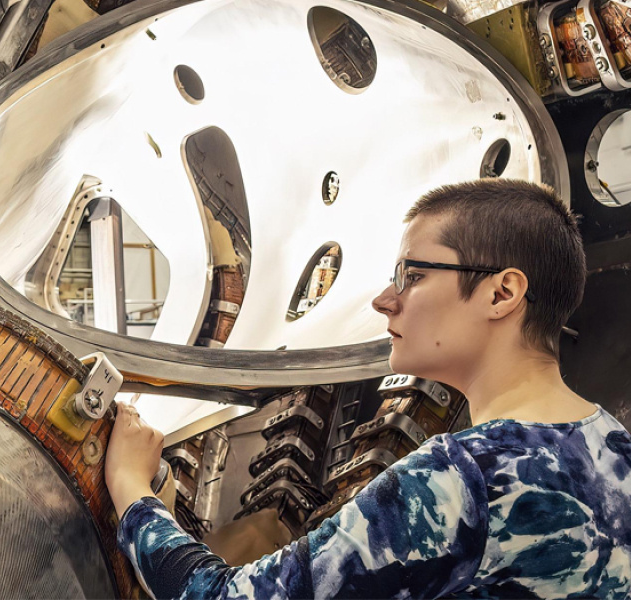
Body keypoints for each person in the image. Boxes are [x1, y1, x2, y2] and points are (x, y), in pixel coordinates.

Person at [104, 179, 631, 599]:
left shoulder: (462, 477)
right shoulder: (615, 448)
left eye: (412, 275)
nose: (384, 300)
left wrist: (132, 488)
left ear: (502, 293)